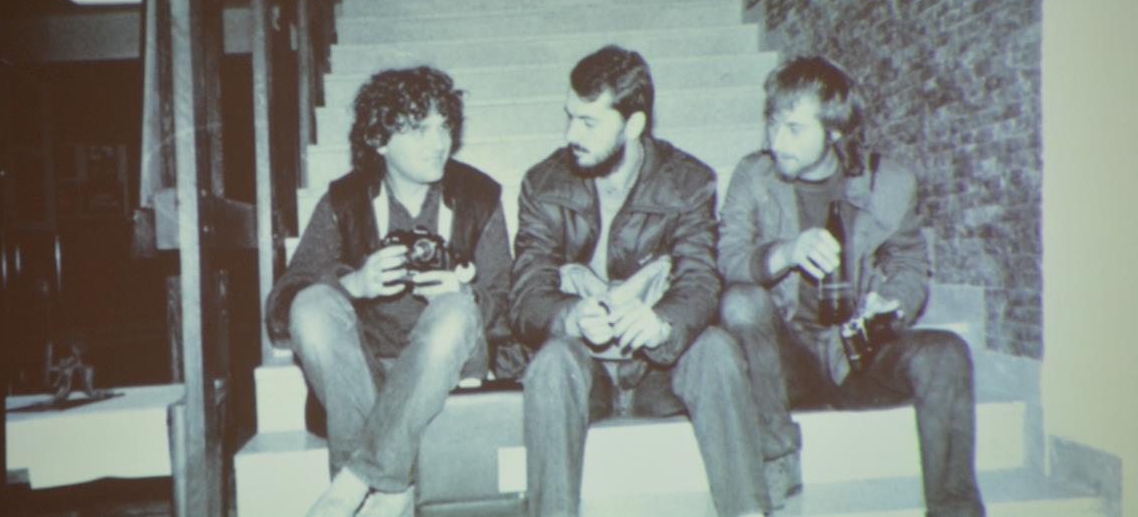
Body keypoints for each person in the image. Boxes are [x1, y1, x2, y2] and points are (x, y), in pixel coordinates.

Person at [511, 45, 771, 517]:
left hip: (657, 373)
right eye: (570, 117)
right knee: (550, 364)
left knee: (716, 348)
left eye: (589, 122)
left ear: (633, 125)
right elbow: (526, 294)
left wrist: (662, 325)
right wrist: (570, 315)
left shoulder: (688, 182)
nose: (571, 134)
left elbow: (700, 281)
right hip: (584, 371)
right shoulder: (544, 184)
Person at [718, 56, 984, 516]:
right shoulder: (754, 176)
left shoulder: (887, 183)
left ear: (836, 131)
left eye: (794, 128)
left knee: (946, 353)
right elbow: (728, 260)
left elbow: (909, 264)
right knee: (740, 302)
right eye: (773, 123)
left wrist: (891, 304)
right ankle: (777, 459)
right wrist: (786, 252)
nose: (776, 141)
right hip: (785, 361)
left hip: (857, 353)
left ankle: (955, 509)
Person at [264, 66, 512, 517]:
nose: (438, 142)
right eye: (418, 129)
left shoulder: (478, 197)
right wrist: (352, 285)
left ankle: (356, 480)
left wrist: (466, 292)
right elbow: (281, 309)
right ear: (380, 141)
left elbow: (512, 308)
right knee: (314, 304)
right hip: (365, 376)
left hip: (449, 372)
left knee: (457, 310)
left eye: (443, 126)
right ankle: (395, 486)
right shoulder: (345, 201)